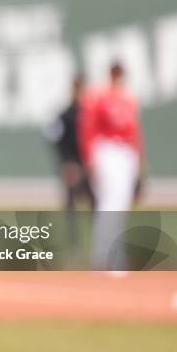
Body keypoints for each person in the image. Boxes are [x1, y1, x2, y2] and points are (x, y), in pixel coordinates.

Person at [79, 62, 145, 269]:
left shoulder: (130, 99)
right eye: (115, 73)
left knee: (121, 204)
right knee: (109, 203)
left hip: (126, 154)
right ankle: (103, 255)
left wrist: (140, 160)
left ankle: (115, 255)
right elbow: (88, 129)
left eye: (120, 73)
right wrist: (90, 158)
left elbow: (136, 132)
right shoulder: (99, 96)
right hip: (107, 151)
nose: (117, 76)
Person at [45, 75, 95, 249]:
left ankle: (96, 243)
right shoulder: (65, 115)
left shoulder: (91, 114)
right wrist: (66, 164)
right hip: (72, 166)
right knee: (71, 205)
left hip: (89, 166)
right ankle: (73, 245)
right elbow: (56, 141)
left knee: (96, 203)